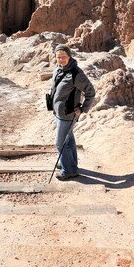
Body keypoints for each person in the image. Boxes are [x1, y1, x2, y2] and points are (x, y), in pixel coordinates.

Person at [49, 44, 95, 180]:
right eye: (58, 57)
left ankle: (68, 170)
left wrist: (82, 108)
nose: (61, 60)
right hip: (59, 112)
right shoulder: (58, 69)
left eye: (63, 57)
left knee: (60, 142)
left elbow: (90, 92)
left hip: (68, 114)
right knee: (68, 139)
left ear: (69, 56)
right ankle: (70, 164)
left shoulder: (76, 74)